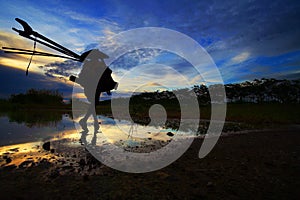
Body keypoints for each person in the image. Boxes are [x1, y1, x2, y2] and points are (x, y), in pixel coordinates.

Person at [70, 49, 118, 132]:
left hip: (97, 87)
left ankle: (88, 121)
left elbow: (106, 75)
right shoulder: (89, 65)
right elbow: (84, 76)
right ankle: (89, 121)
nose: (97, 59)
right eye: (96, 57)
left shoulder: (100, 64)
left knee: (94, 103)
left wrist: (108, 86)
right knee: (94, 103)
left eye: (98, 58)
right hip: (91, 87)